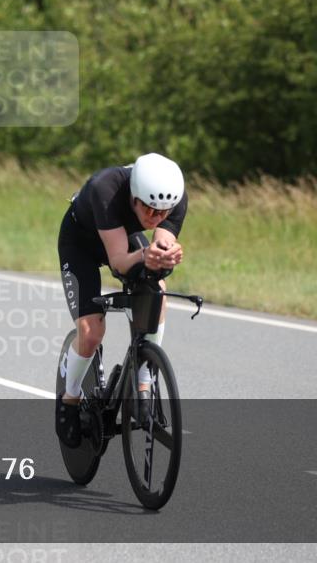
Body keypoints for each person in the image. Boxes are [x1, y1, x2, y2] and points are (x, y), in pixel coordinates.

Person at [56, 153, 188, 448]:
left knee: (157, 291)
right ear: (134, 197)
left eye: (163, 212)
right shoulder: (106, 189)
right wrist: (145, 255)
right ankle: (70, 398)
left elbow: (161, 241)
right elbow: (118, 263)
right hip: (81, 244)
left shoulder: (174, 199)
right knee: (91, 333)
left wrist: (165, 254)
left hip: (124, 238)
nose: (156, 218)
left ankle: (144, 377)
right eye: (150, 210)